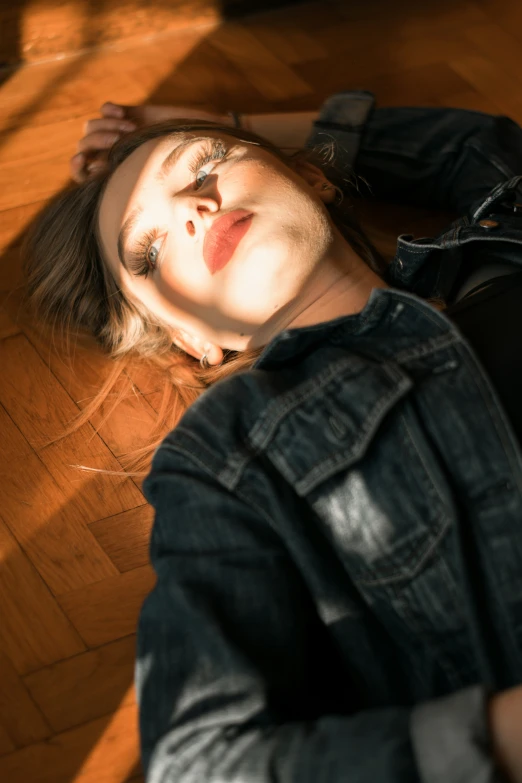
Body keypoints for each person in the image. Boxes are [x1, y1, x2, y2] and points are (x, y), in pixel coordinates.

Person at [24, 91, 522, 782]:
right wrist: (500, 737)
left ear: (309, 175)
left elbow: (485, 147)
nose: (194, 208)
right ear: (192, 339)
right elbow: (202, 759)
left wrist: (231, 120)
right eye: (150, 247)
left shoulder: (499, 241)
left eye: (207, 166)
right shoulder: (228, 455)